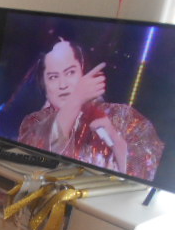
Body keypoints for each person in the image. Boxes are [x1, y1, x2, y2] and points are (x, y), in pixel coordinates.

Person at [18, 39, 165, 181]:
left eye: (70, 73)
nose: (63, 84)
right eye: (53, 77)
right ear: (44, 85)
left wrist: (115, 139)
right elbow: (33, 166)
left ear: (85, 74)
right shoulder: (35, 123)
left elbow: (149, 173)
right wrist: (75, 100)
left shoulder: (123, 116)